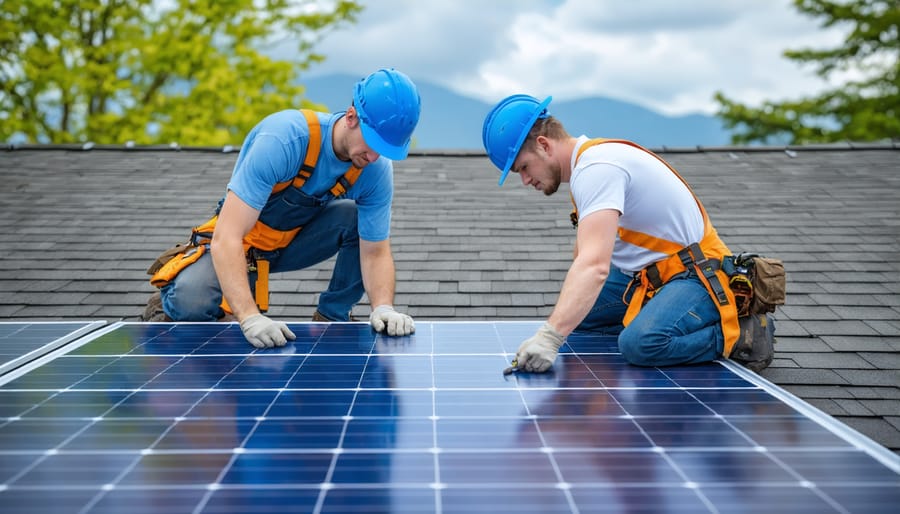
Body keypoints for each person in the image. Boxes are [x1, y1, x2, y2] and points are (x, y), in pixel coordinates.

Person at [481, 94, 774, 373]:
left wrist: (549, 337)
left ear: (544, 145)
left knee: (641, 345)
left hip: (699, 274)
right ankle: (658, 317)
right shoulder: (587, 169)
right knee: (575, 313)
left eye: (523, 167)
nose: (525, 180)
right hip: (653, 275)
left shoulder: (597, 169)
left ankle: (742, 335)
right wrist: (562, 321)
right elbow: (581, 265)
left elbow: (594, 267)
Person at [144, 68, 420, 348]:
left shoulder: (374, 170)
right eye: (373, 143)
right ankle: (170, 307)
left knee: (353, 217)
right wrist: (250, 317)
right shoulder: (285, 139)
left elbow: (375, 251)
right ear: (351, 117)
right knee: (192, 300)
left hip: (290, 243)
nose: (374, 157)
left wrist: (383, 307)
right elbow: (227, 237)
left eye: (384, 149)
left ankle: (332, 319)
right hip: (239, 245)